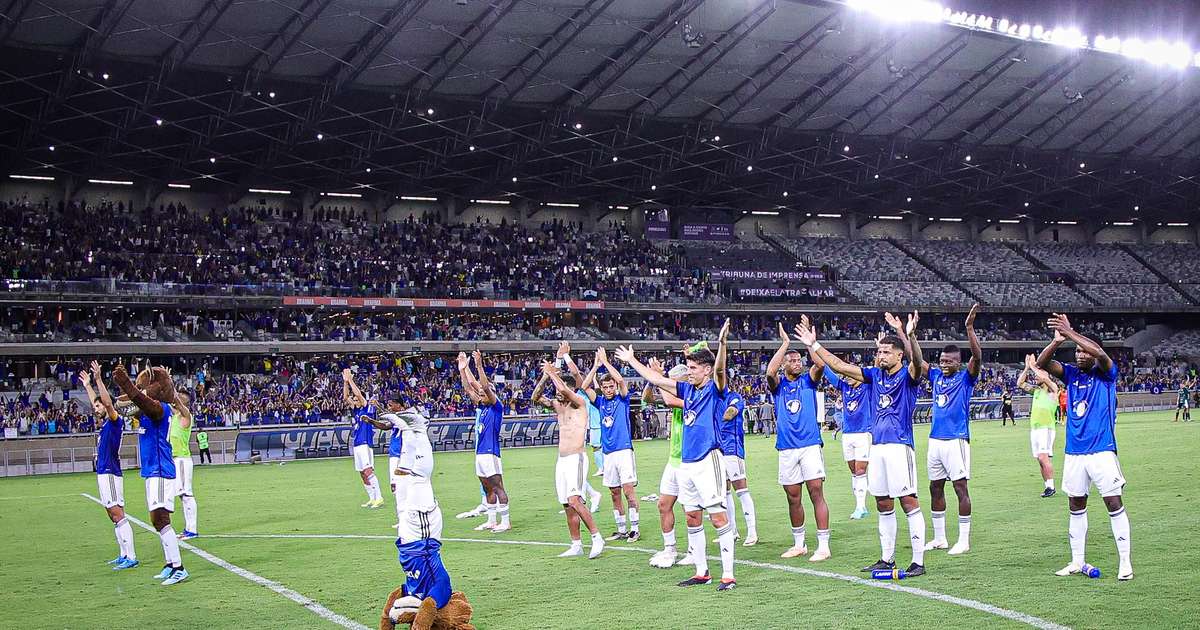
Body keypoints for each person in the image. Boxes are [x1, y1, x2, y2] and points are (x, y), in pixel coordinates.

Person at [797, 312, 928, 578]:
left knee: (908, 501)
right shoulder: (873, 376)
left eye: (886, 352)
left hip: (900, 446)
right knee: (882, 502)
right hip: (876, 445)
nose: (881, 355)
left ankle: (918, 561)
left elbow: (917, 361)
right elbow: (841, 367)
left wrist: (910, 335)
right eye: (879, 351)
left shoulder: (908, 375)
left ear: (899, 356)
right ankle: (887, 558)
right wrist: (814, 344)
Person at [616, 318, 739, 592]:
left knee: (718, 516)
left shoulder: (714, 389)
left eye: (694, 368)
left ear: (706, 370)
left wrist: (722, 343)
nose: (689, 373)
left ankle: (728, 575)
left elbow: (720, 369)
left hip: (709, 460)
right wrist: (631, 361)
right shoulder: (689, 391)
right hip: (686, 464)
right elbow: (657, 380)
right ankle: (701, 571)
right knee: (692, 516)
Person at [1036, 313, 1133, 581]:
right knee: (1076, 504)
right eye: (1076, 351)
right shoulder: (1071, 374)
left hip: (1102, 450)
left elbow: (1100, 353)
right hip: (1074, 453)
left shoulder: (1106, 373)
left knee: (1113, 502)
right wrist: (1058, 341)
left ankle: (1125, 563)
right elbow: (1043, 365)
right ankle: (1077, 561)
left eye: (1083, 351)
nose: (1079, 355)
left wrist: (1071, 331)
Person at [113, 363, 189, 585]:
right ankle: (169, 564)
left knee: (161, 518)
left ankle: (179, 567)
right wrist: (126, 388)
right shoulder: (146, 411)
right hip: (151, 470)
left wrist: (127, 383)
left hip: (161, 469)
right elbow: (130, 404)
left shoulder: (161, 409)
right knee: (157, 520)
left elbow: (144, 401)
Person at [766, 321, 829, 561]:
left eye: (798, 360)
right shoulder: (778, 386)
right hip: (787, 448)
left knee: (816, 492)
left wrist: (810, 344)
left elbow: (820, 364)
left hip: (810, 445)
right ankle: (799, 543)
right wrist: (784, 344)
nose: (797, 363)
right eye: (792, 361)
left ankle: (823, 545)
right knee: (793, 497)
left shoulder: (808, 382)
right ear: (784, 364)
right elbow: (769, 373)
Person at [922, 304, 982, 556]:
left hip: (956, 440)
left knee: (960, 488)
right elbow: (919, 362)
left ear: (959, 363)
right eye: (942, 360)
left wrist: (969, 328)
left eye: (949, 361)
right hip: (935, 440)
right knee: (935, 487)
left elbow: (977, 358)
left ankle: (964, 539)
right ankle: (939, 538)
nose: (944, 364)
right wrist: (907, 336)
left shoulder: (966, 378)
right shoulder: (936, 376)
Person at [532, 363, 605, 559]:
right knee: (566, 504)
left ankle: (597, 537)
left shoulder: (579, 402)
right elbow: (535, 397)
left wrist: (553, 374)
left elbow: (563, 388)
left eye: (560, 387)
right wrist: (546, 377)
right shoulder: (558, 405)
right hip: (561, 460)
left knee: (575, 500)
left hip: (576, 458)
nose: (557, 391)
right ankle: (576, 544)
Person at [79, 361, 138, 570]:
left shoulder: (115, 421)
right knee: (112, 514)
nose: (96, 408)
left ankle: (131, 556)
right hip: (104, 473)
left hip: (111, 473)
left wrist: (97, 380)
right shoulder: (105, 424)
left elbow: (107, 404)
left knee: (117, 513)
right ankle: (123, 554)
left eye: (98, 405)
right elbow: (100, 403)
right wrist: (87, 386)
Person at [585, 347, 640, 542]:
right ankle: (622, 528)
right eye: (605, 387)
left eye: (611, 386)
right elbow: (584, 387)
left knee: (628, 491)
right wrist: (596, 365)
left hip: (624, 451)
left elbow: (622, 381)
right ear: (602, 387)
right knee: (614, 492)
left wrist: (607, 362)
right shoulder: (599, 402)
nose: (609, 390)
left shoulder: (622, 399)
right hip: (608, 453)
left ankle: (635, 528)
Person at [644, 360, 694, 569]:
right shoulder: (672, 394)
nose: (670, 387)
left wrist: (659, 377)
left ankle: (694, 551)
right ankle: (670, 548)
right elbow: (647, 398)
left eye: (674, 384)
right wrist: (652, 380)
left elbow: (669, 401)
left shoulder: (693, 398)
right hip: (673, 461)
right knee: (663, 505)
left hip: (689, 461)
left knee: (689, 509)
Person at [458, 351, 510, 533]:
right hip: (480, 454)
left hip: (491, 453)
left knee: (498, 487)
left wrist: (479, 365)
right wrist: (463, 370)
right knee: (487, 487)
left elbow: (484, 387)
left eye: (484, 392)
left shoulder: (497, 407)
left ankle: (506, 522)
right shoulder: (483, 406)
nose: (480, 394)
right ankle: (491, 520)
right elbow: (468, 388)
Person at [824, 343, 876, 521]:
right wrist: (814, 350)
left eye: (848, 374)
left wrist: (877, 351)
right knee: (854, 470)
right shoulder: (844, 388)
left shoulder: (867, 387)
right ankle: (861, 500)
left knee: (861, 470)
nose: (845, 377)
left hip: (863, 433)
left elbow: (876, 370)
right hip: (847, 434)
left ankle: (861, 506)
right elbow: (827, 371)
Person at [717, 384, 758, 548]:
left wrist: (712, 417)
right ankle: (732, 532)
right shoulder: (712, 398)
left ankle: (752, 532)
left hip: (732, 449)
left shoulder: (734, 396)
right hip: (718, 449)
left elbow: (730, 413)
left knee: (741, 490)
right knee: (724, 493)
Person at [1017, 354, 1059, 498]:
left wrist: (1034, 367)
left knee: (1043, 457)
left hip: (1045, 428)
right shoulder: (1037, 391)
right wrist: (1027, 368)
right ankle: (1048, 486)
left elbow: (1046, 378)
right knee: (1040, 460)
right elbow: (1020, 383)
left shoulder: (1053, 391)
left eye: (1039, 375)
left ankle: (1051, 486)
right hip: (1035, 428)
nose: (1036, 377)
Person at [368, 395, 413, 527]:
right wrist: (371, 422)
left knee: (404, 486)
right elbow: (385, 425)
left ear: (399, 405)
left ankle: (409, 517)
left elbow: (388, 418)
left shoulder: (406, 415)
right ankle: (403, 518)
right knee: (395, 487)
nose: (389, 407)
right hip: (394, 454)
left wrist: (378, 406)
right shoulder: (395, 417)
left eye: (391, 404)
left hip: (403, 455)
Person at [344, 368, 384, 509]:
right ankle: (371, 498)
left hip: (365, 443)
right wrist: (345, 382)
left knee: (368, 470)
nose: (354, 400)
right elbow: (346, 397)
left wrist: (350, 380)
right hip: (357, 444)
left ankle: (379, 497)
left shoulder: (367, 408)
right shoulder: (356, 411)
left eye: (356, 400)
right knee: (362, 473)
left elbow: (358, 394)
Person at [170, 392, 199, 539]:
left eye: (179, 397)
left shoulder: (186, 416)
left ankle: (192, 530)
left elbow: (179, 405)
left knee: (186, 494)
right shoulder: (175, 416)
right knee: (183, 495)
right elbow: (170, 403)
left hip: (182, 459)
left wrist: (174, 394)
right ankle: (188, 528)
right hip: (176, 460)